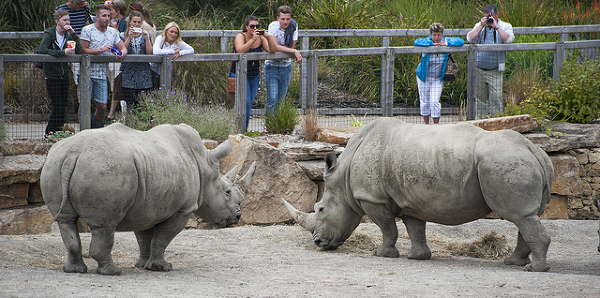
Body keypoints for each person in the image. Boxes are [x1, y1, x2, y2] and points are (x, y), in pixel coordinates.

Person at [37, 9, 83, 137]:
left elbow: (79, 51)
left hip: (64, 74)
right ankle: (49, 132)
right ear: (57, 21)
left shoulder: (68, 35)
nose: (67, 22)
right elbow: (42, 49)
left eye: (68, 20)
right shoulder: (50, 34)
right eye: (64, 20)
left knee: (63, 106)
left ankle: (58, 132)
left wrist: (73, 34)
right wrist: (61, 53)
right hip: (52, 75)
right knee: (57, 105)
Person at [80, 4, 127, 128]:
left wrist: (121, 54)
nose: (107, 18)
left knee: (102, 105)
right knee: (85, 103)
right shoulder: (87, 30)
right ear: (97, 17)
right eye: (104, 16)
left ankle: (97, 127)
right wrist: (100, 50)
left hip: (101, 73)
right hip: (87, 72)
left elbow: (123, 47)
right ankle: (84, 128)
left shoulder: (112, 32)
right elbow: (83, 50)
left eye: (108, 16)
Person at [466, 4, 514, 118]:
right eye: (486, 17)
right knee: (479, 98)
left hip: (495, 69)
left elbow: (509, 40)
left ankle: (496, 121)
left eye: (491, 16)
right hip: (479, 69)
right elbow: (469, 39)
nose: (489, 19)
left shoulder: (505, 26)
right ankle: (480, 122)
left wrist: (496, 27)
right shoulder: (479, 25)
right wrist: (481, 26)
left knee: (496, 97)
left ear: (497, 15)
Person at [230, 16, 277, 130]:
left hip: (254, 75)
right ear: (246, 27)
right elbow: (240, 50)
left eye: (257, 26)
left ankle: (242, 129)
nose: (255, 28)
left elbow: (272, 50)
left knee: (249, 103)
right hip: (239, 74)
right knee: (244, 103)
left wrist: (268, 37)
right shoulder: (240, 36)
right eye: (252, 26)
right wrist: (252, 39)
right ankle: (241, 130)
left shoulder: (261, 38)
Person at [415, 23, 464, 124]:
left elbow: (460, 41)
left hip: (437, 78)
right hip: (424, 77)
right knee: (424, 102)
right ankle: (426, 125)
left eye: (438, 35)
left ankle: (436, 126)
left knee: (434, 102)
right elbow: (417, 42)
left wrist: (445, 43)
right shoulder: (427, 41)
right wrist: (431, 44)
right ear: (431, 35)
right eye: (434, 35)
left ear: (442, 35)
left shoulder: (445, 41)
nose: (436, 37)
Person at [264, 5, 303, 114]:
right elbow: (274, 47)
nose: (285, 22)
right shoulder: (273, 26)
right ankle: (270, 125)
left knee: (281, 99)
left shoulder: (294, 26)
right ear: (278, 18)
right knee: (272, 97)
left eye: (288, 19)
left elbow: (291, 46)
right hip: (272, 66)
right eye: (283, 19)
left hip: (286, 67)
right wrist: (294, 51)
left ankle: (278, 125)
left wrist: (291, 50)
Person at [119, 11, 153, 110]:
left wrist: (147, 38)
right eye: (134, 22)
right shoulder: (122, 36)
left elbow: (149, 53)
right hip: (128, 74)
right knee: (131, 105)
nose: (136, 24)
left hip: (144, 75)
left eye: (139, 22)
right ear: (130, 22)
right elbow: (122, 52)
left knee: (143, 106)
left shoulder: (146, 36)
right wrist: (128, 38)